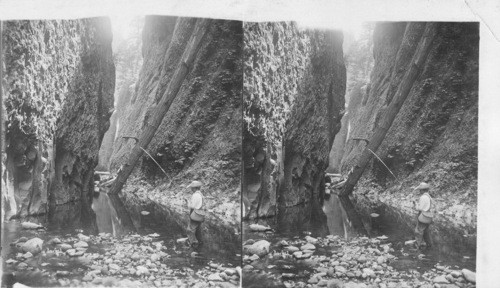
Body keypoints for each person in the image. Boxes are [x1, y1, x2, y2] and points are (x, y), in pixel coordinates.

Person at [413, 182, 434, 248]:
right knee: (426, 232)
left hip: (423, 215)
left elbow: (420, 208)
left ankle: (417, 246)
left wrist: (415, 204)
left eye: (420, 190)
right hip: (428, 215)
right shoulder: (428, 196)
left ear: (422, 190)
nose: (419, 191)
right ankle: (430, 246)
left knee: (418, 231)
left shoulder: (423, 197)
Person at [186, 180, 205, 248]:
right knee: (197, 230)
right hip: (200, 214)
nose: (191, 189)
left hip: (195, 213)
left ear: (194, 188)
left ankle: (194, 244)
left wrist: (188, 202)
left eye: (191, 187)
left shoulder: (195, 195)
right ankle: (200, 244)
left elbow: (192, 206)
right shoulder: (200, 194)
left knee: (190, 230)